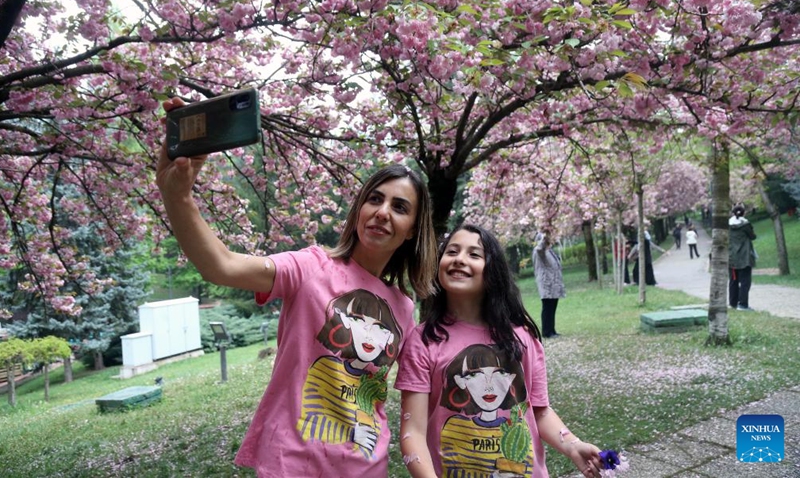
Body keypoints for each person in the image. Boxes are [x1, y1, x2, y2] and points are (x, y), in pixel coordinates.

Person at [155, 97, 438, 477]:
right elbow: (220, 266)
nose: (383, 212)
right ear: (359, 210)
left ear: (412, 232)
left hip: (366, 466)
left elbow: (388, 390)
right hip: (291, 462)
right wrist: (178, 196)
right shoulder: (311, 266)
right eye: (375, 199)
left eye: (400, 207)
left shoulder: (403, 307)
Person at [395, 224, 603, 478]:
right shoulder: (423, 341)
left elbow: (540, 410)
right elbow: (413, 432)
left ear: (493, 269)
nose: (459, 259)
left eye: (474, 254)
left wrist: (572, 446)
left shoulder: (522, 338)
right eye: (452, 252)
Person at [532, 231, 565, 338]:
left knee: (552, 307)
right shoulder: (539, 251)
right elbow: (540, 248)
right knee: (547, 308)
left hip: (553, 284)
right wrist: (545, 235)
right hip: (547, 284)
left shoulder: (549, 251)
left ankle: (552, 330)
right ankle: (547, 332)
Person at [729, 204, 757, 311]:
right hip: (744, 257)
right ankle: (743, 304)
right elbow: (753, 236)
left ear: (732, 213)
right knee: (745, 281)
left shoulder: (727, 226)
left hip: (731, 257)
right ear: (744, 213)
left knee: (733, 280)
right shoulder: (746, 225)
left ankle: (733, 303)